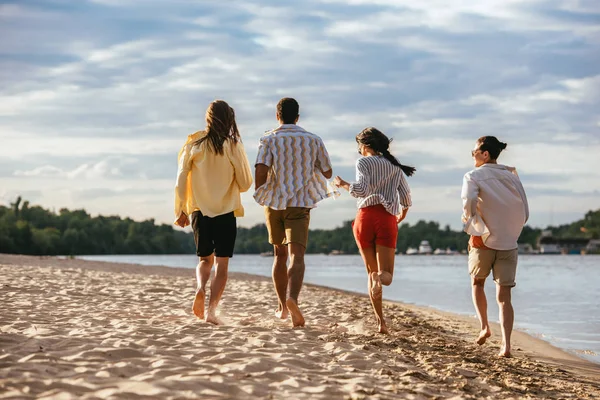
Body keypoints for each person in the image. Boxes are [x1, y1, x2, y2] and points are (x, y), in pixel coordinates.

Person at [254, 97, 335, 327]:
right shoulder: (313, 140)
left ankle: (281, 307)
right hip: (300, 203)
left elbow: (261, 169)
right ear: (298, 117)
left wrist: (261, 192)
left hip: (274, 202)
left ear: (277, 116)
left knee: (279, 254)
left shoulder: (268, 138)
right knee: (297, 256)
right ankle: (292, 299)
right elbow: (328, 172)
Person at [174, 100, 253, 325]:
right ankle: (211, 310)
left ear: (207, 118)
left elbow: (180, 178)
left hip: (199, 210)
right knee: (222, 264)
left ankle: (200, 287)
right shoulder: (233, 145)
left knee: (204, 260)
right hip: (226, 211)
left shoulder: (193, 144)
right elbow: (246, 183)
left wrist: (180, 209)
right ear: (230, 119)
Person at [333, 127, 414, 334]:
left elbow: (361, 190)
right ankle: (379, 283)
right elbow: (405, 197)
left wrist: (342, 184)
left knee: (371, 273)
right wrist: (402, 213)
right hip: (386, 218)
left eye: (359, 144)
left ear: (365, 145)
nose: (358, 149)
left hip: (365, 217)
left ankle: (381, 323)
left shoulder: (363, 162)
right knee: (385, 275)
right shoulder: (394, 167)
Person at [461, 136, 529, 357]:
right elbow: (525, 211)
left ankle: (484, 326)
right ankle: (506, 346)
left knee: (477, 282)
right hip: (509, 242)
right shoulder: (512, 176)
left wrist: (469, 220)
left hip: (483, 239)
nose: (472, 156)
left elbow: (469, 201)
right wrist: (511, 232)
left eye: (474, 152)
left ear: (485, 154)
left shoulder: (473, 175)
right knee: (504, 297)